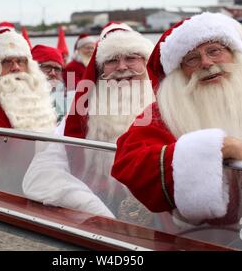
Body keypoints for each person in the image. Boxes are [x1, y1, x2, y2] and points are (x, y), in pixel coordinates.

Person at [111, 12, 242, 230]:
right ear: (181, 71)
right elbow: (129, 161)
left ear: (234, 54)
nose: (206, 62)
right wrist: (219, 147)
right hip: (196, 240)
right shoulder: (165, 113)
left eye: (214, 51)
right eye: (192, 58)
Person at [23, 23, 155, 219]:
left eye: (131, 58)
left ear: (146, 62)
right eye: (111, 60)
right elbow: (43, 171)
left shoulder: (167, 104)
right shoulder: (79, 115)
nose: (121, 67)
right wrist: (91, 208)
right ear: (100, 70)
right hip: (100, 210)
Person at [31, 44, 73, 123]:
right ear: (34, 68)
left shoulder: (67, 100)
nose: (53, 73)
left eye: (57, 69)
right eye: (47, 67)